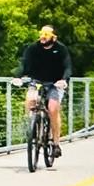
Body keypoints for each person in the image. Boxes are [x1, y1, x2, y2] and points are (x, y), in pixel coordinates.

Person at [20, 25, 72, 158]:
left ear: (53, 37)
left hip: (55, 83)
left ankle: (55, 143)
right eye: (41, 34)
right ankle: (33, 126)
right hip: (37, 81)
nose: (43, 37)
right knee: (30, 100)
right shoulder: (33, 48)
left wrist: (64, 79)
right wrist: (17, 76)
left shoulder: (61, 49)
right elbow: (24, 64)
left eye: (46, 34)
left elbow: (67, 66)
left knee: (53, 108)